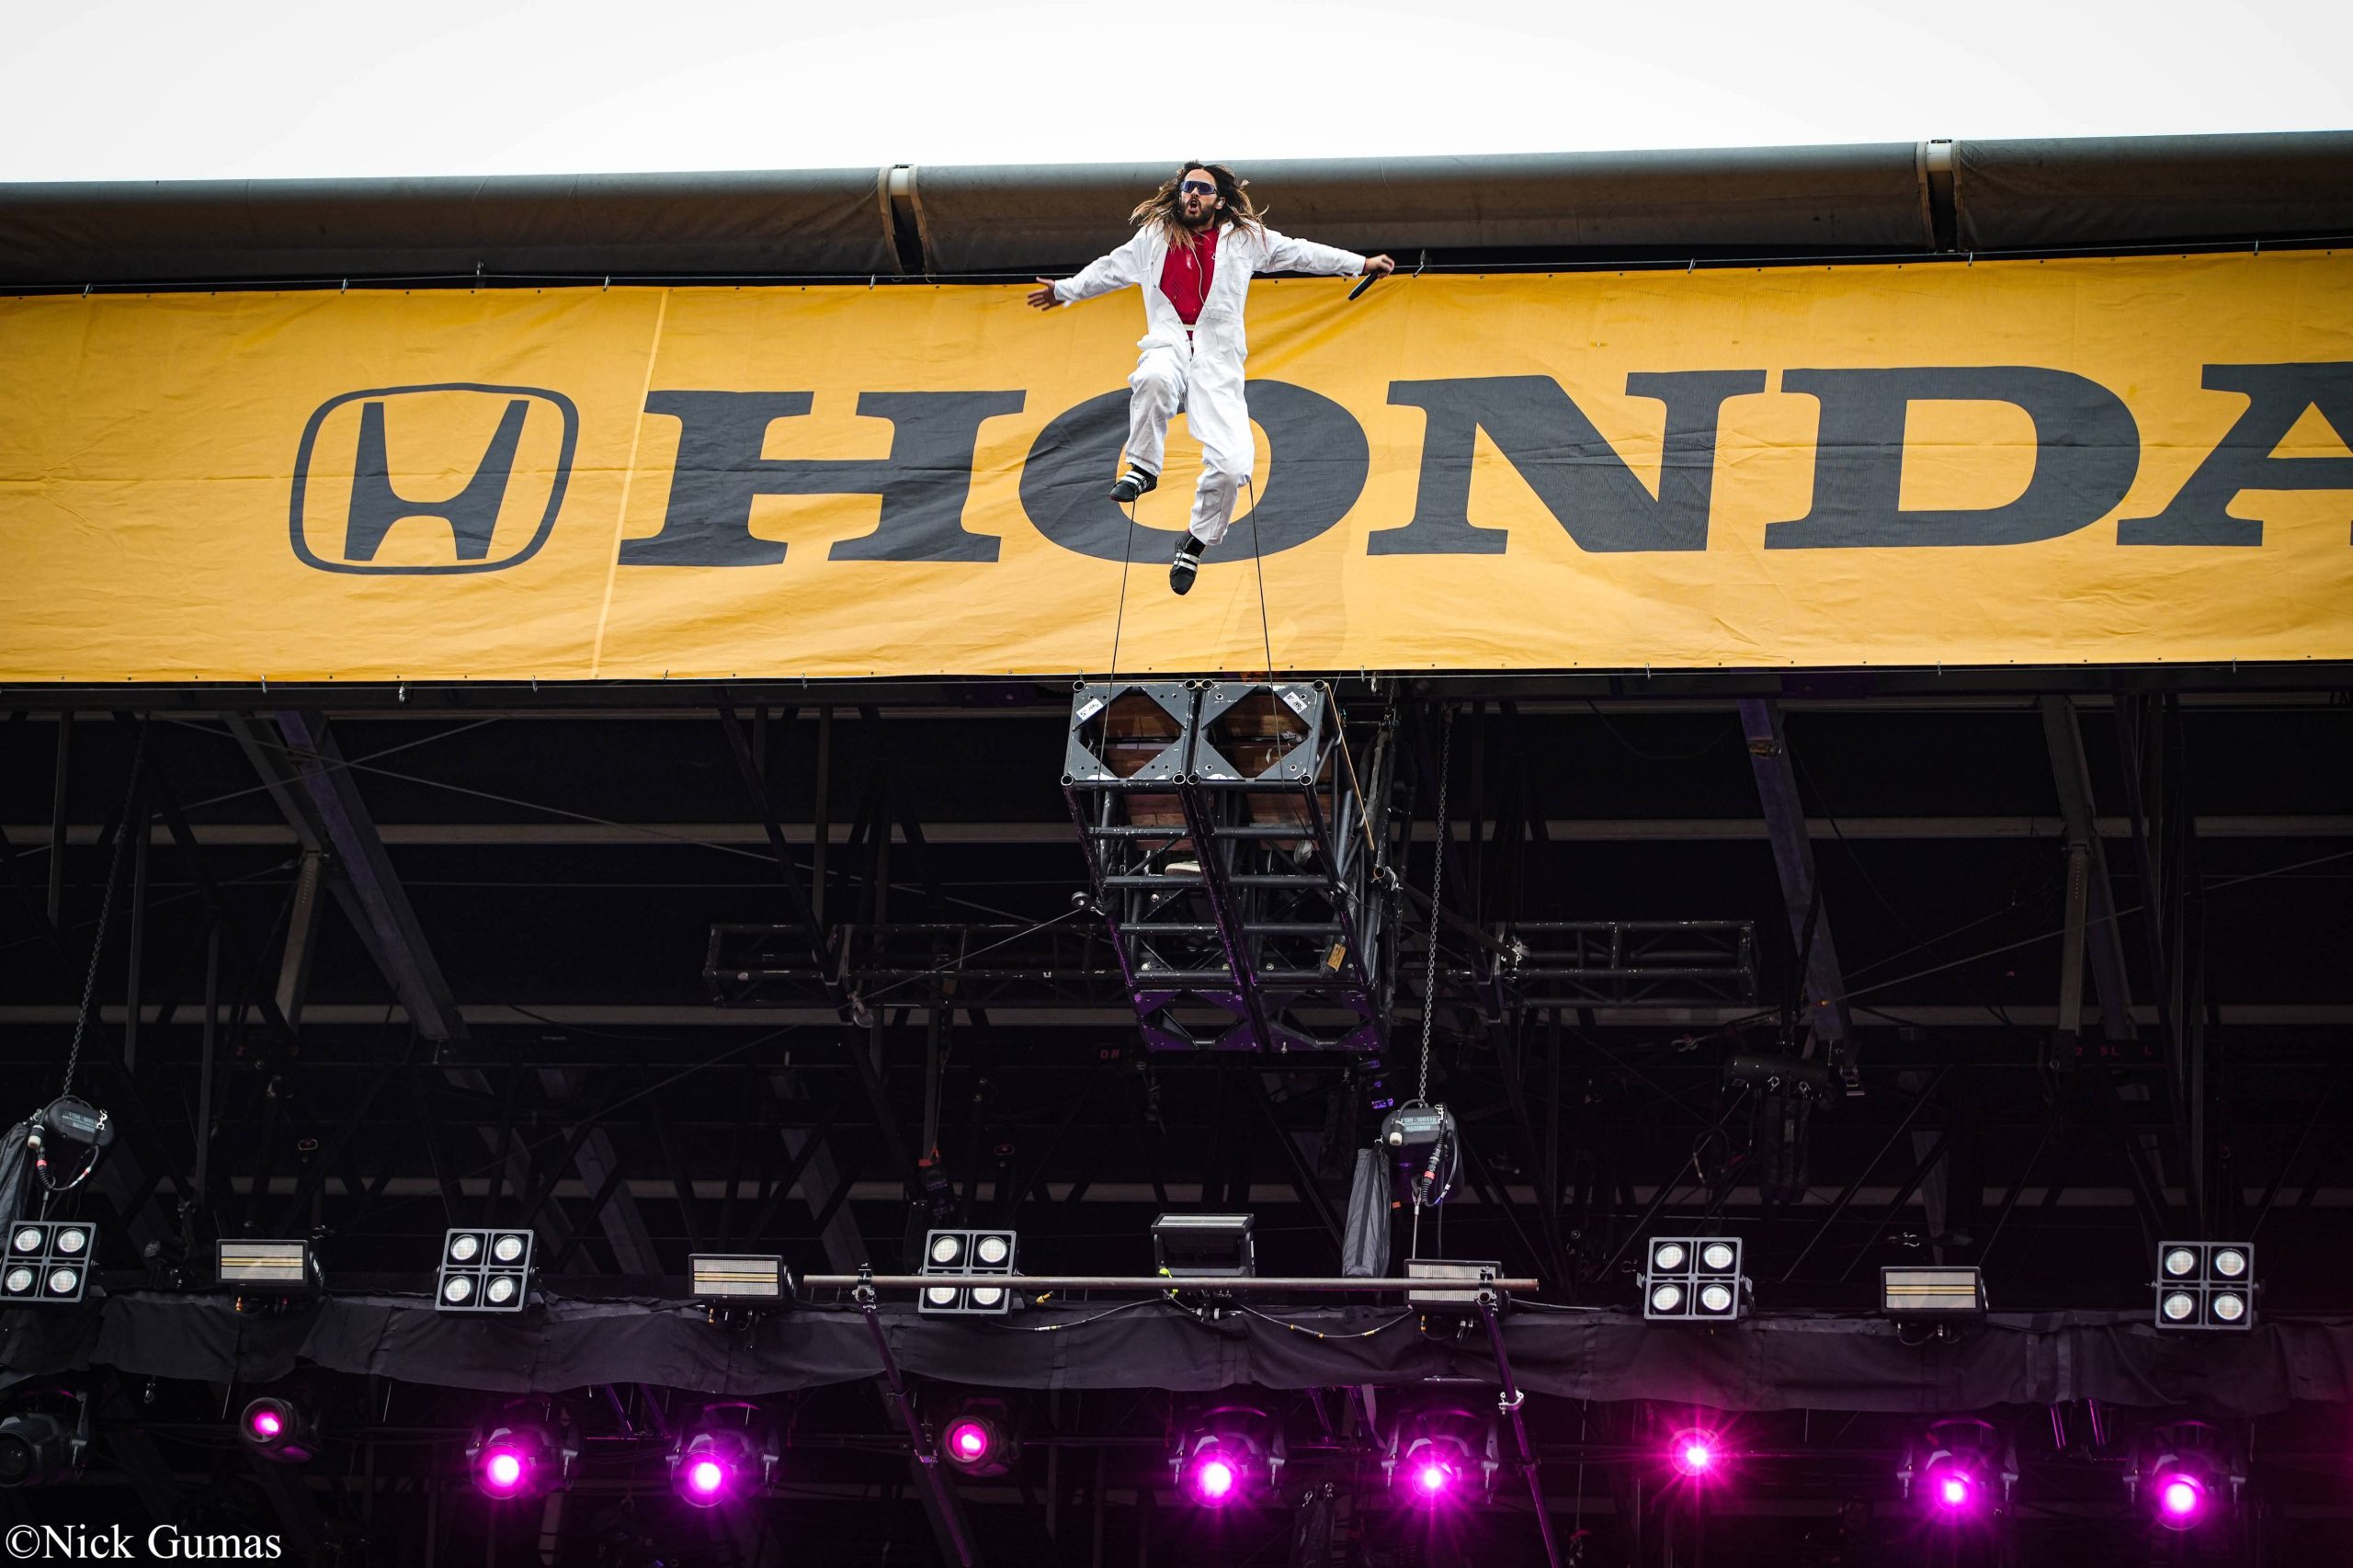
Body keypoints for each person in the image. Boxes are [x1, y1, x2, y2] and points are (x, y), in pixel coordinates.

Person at [1028, 161, 1393, 594]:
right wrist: (1064, 290)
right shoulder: (1154, 237)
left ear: (1219, 201)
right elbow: (1110, 268)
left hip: (1216, 359)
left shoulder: (1246, 239)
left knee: (1233, 465)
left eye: (1202, 189)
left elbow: (1301, 252)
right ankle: (1143, 466)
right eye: (1188, 187)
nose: (1193, 195)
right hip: (1169, 341)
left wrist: (1361, 263)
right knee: (1154, 378)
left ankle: (1195, 541)